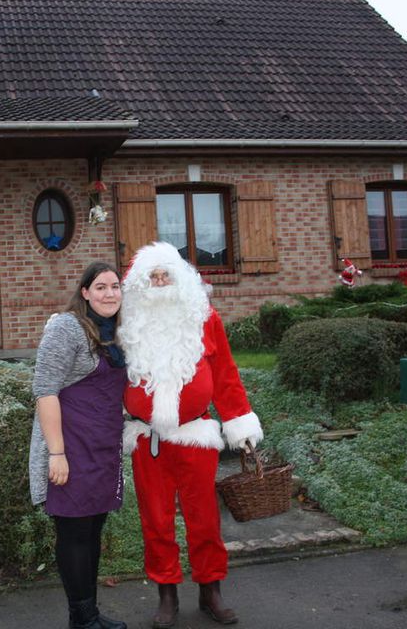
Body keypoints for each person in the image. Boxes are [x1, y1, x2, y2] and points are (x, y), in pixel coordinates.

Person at [117, 242, 263, 628]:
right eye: (153, 277)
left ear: (181, 279)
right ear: (140, 284)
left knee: (204, 518)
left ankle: (210, 589)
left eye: (166, 275)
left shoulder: (204, 318)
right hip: (148, 441)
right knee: (156, 520)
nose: (160, 282)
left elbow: (227, 374)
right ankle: (167, 594)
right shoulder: (126, 323)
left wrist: (239, 425)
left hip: (196, 435)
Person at [29, 262, 129, 629]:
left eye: (115, 286)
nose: (109, 294)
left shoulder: (117, 333)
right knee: (74, 532)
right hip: (70, 449)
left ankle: (91, 614)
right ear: (85, 292)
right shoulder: (66, 328)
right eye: (100, 287)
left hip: (103, 448)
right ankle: (81, 618)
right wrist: (56, 452)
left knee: (93, 530)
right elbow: (45, 391)